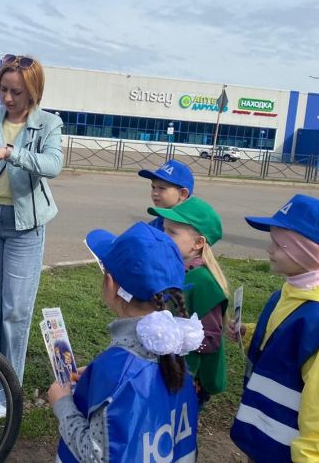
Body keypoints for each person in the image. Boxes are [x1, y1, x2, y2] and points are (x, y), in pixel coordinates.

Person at [0, 54, 63, 418]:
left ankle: (9, 385)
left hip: (25, 227)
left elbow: (53, 165)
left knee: (15, 310)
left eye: (15, 91)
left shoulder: (48, 124)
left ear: (32, 91)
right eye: (2, 89)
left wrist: (10, 153)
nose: (6, 98)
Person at [229, 194, 319, 463]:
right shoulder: (288, 295)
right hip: (271, 441)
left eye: (279, 244)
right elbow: (281, 337)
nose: (269, 249)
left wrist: (313, 457)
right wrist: (250, 333)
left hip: (296, 452)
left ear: (308, 252)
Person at [48, 222, 203, 462]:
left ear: (111, 284)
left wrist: (63, 404)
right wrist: (97, 379)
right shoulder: (175, 351)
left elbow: (95, 456)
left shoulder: (116, 369)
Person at [148, 196, 229, 407]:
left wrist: (172, 338)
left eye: (172, 233)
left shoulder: (203, 282)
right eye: (164, 230)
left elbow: (210, 341)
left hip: (188, 380)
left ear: (198, 243)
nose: (164, 237)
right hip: (169, 371)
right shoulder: (178, 271)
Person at [138, 159, 194, 231]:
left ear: (183, 194)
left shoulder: (188, 228)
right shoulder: (157, 223)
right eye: (153, 187)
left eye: (162, 188)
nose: (154, 193)